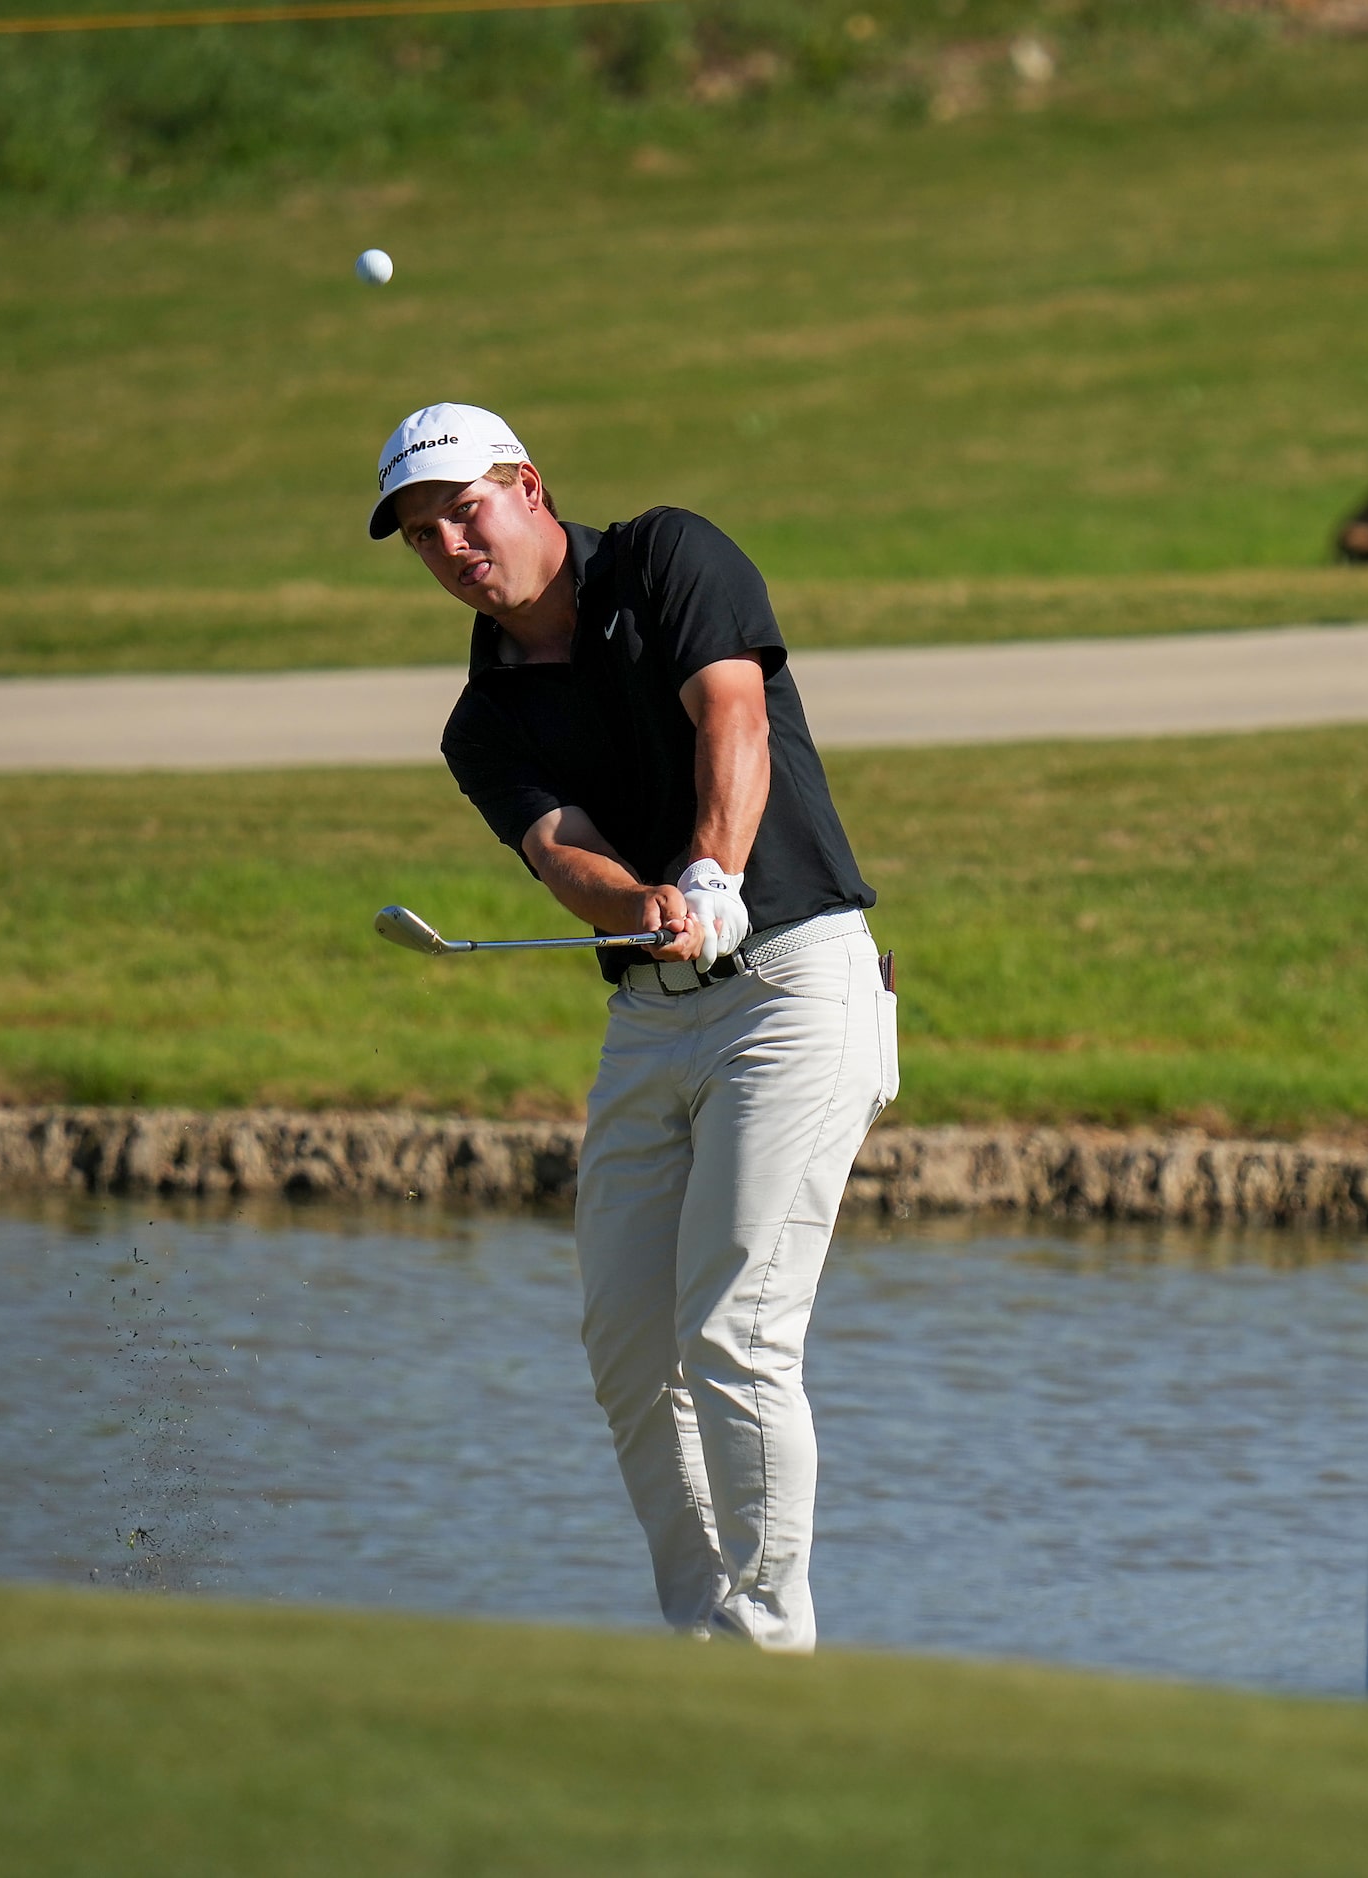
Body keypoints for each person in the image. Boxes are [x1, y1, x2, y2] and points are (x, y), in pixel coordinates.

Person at [372, 401, 898, 1651]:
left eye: (464, 510)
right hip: (656, 1025)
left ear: (528, 485)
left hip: (795, 990)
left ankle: (771, 1650)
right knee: (627, 1348)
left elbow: (733, 714)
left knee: (736, 1332)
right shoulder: (481, 719)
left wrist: (713, 873)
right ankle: (701, 1637)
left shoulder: (668, 556)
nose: (450, 545)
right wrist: (647, 903)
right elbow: (565, 856)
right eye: (421, 534)